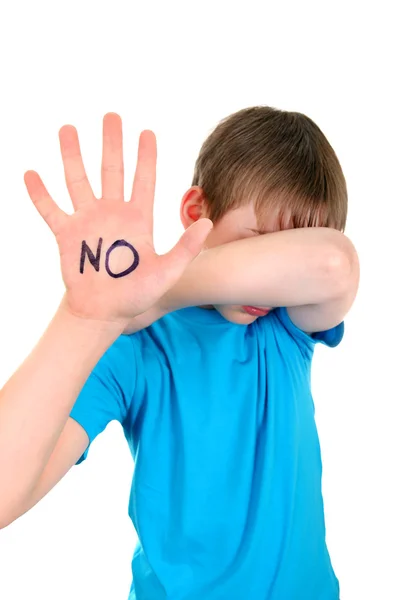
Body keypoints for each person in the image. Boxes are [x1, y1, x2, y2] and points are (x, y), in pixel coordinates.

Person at [0, 106, 360, 599]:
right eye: (257, 242)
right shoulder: (135, 348)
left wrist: (157, 291)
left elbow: (334, 262)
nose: (264, 277)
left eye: (281, 253)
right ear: (197, 213)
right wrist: (85, 318)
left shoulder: (285, 327)